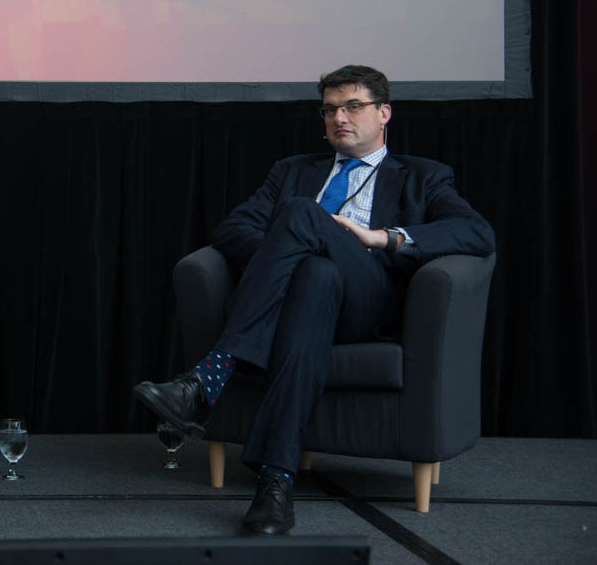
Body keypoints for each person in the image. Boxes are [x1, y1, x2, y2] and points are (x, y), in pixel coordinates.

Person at [133, 64, 494, 535]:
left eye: (353, 106)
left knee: (302, 214)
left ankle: (210, 376)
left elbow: (476, 232)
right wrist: (292, 254)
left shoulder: (422, 177)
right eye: (329, 110)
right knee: (315, 273)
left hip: (367, 302)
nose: (339, 117)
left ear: (384, 113)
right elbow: (234, 229)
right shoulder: (292, 171)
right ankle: (275, 484)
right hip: (304, 301)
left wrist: (382, 237)